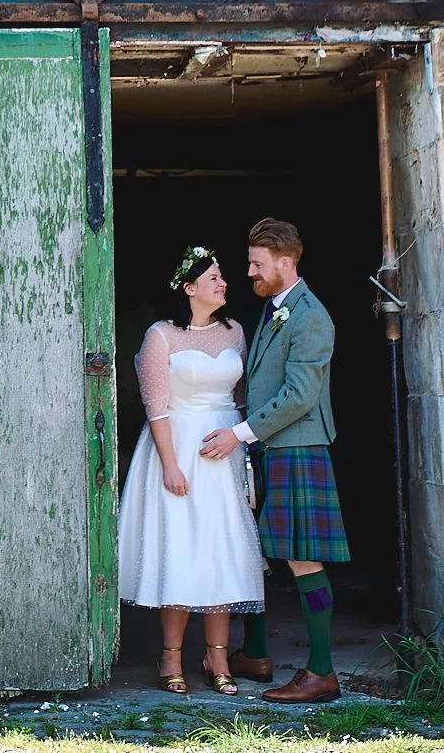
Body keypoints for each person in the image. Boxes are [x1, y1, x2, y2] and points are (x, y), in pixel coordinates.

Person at [200, 217, 347, 704]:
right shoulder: (277, 307)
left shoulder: (310, 316)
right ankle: (255, 652)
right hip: (271, 445)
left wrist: (238, 433)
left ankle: (321, 671)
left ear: (286, 262)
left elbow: (300, 395)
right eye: (249, 263)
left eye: (257, 264)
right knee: (260, 548)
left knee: (303, 556)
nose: (249, 273)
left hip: (298, 445)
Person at [115, 245, 266, 695]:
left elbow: (239, 395)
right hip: (177, 446)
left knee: (221, 549)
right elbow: (155, 405)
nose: (224, 283)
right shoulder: (161, 335)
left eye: (222, 277)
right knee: (179, 550)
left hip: (224, 448)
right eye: (214, 277)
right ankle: (171, 656)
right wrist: (170, 465)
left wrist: (240, 443)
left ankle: (217, 657)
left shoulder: (234, 331)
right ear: (190, 287)